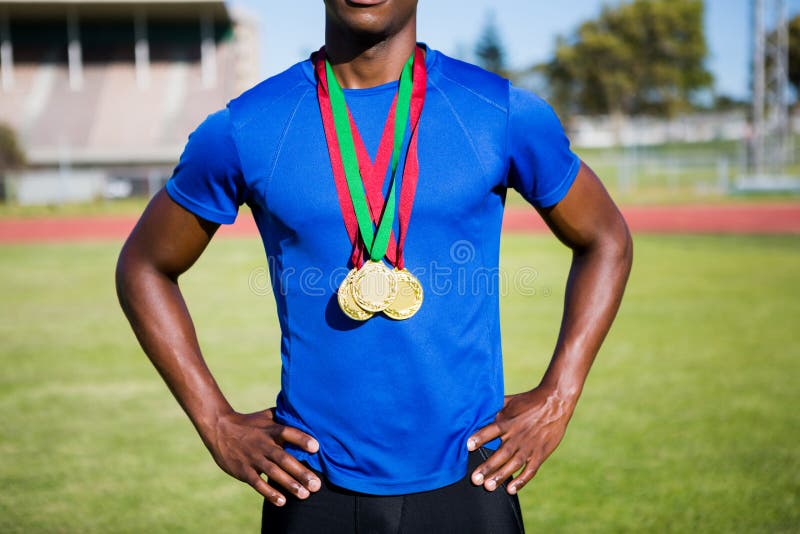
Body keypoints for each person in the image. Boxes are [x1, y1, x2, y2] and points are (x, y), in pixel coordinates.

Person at [116, 1, 633, 532]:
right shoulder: (245, 127)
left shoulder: (498, 112)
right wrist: (215, 421)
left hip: (472, 479)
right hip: (311, 485)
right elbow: (144, 266)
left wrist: (560, 393)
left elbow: (606, 238)